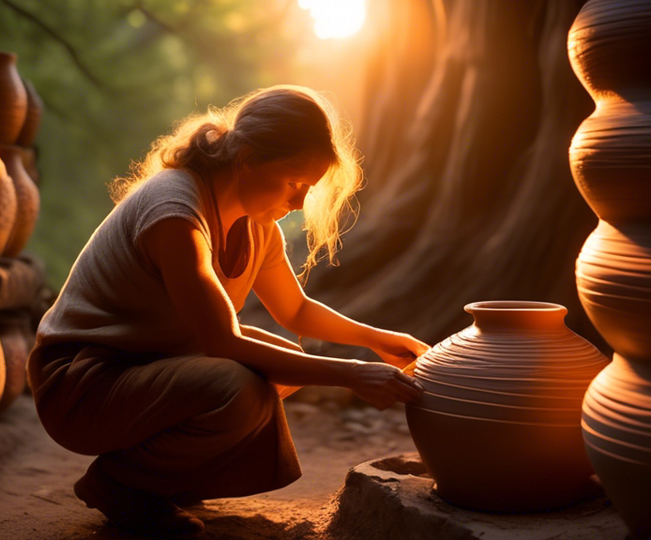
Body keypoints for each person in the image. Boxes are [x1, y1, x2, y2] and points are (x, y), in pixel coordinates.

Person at [26, 85, 430, 538]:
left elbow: (294, 310)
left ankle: (158, 478)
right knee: (238, 388)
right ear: (248, 158)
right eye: (294, 182)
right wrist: (354, 374)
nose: (299, 203)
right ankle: (119, 484)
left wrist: (377, 341)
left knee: (283, 364)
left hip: (145, 364)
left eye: (308, 189)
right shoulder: (175, 212)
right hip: (81, 384)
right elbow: (222, 342)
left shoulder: (257, 225)